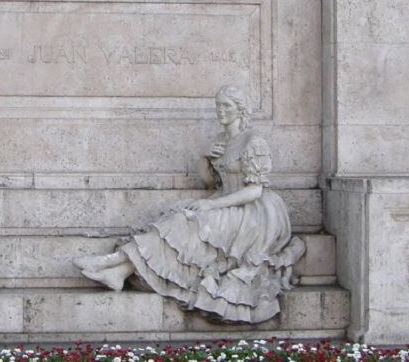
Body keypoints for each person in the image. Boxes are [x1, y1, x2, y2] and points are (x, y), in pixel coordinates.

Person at [74, 84, 305, 323]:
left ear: (241, 109)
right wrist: (205, 158)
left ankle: (116, 263)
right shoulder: (222, 140)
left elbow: (256, 190)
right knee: (179, 217)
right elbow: (210, 182)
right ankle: (119, 269)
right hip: (226, 200)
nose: (221, 111)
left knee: (187, 221)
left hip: (254, 212)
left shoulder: (253, 142)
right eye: (218, 105)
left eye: (227, 105)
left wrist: (212, 206)